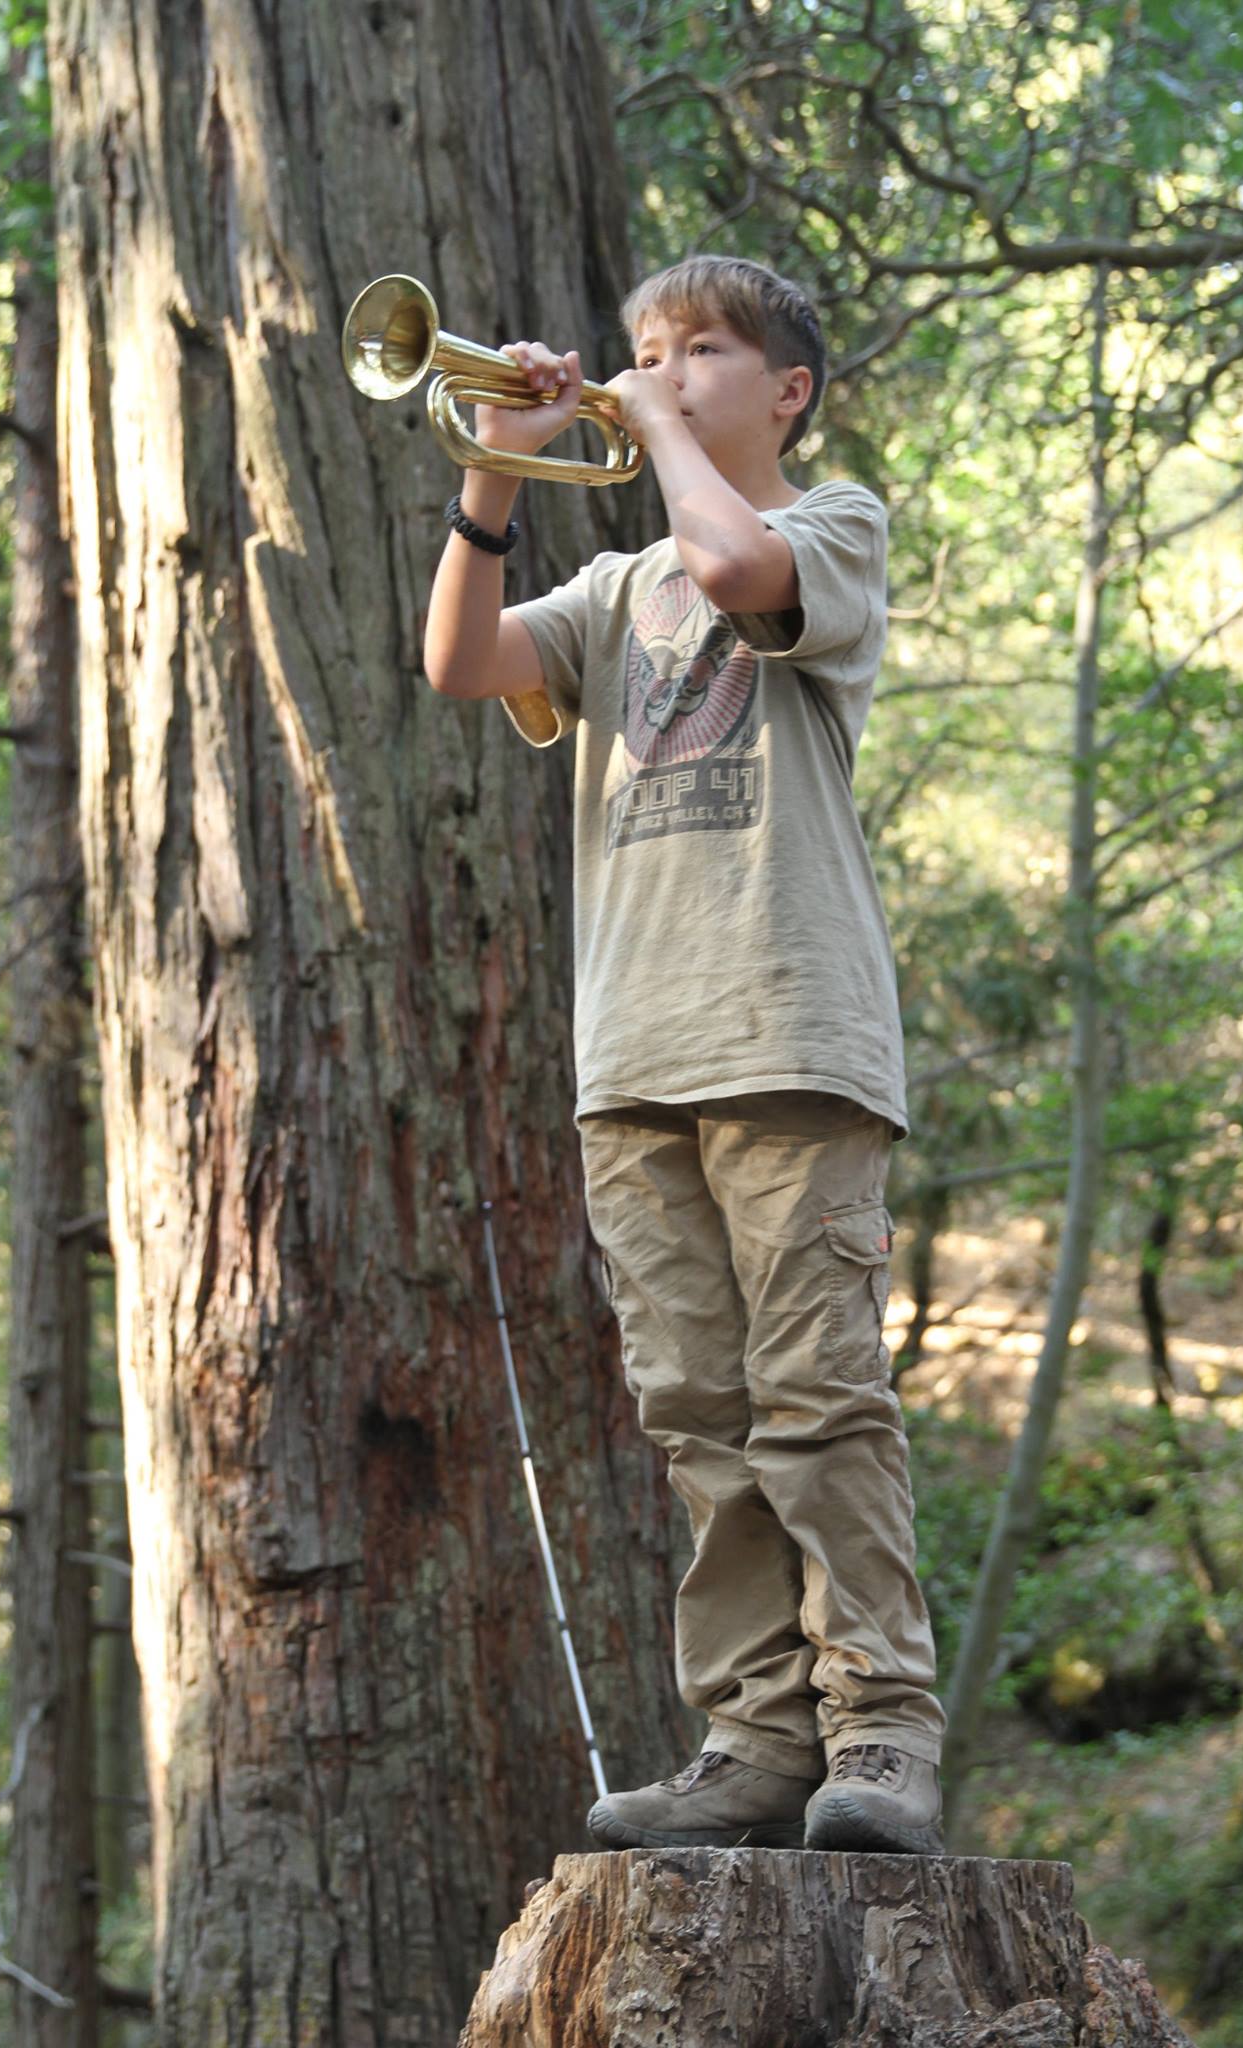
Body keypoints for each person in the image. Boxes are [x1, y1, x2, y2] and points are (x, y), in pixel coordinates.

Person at [424, 254, 947, 1855]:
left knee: (816, 1400)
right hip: (634, 1057)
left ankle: (880, 1736)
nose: (659, 369)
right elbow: (458, 663)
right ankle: (754, 1742)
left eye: (700, 351)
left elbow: (733, 567)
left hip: (789, 1034)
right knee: (697, 1413)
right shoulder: (604, 593)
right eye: (647, 349)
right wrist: (490, 468)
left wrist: (648, 421)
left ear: (783, 390)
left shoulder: (827, 525)